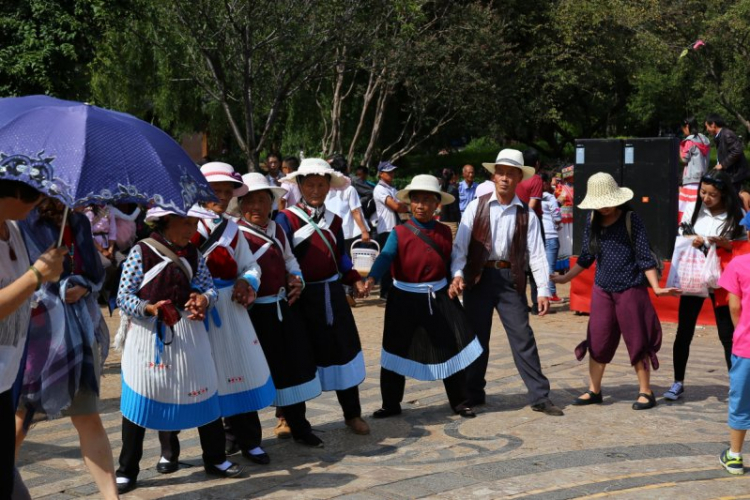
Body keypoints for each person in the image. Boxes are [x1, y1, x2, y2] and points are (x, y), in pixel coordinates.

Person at [157, 162, 276, 472]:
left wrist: (246, 281)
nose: (221, 197)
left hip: (226, 308)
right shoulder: (180, 225)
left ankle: (247, 439)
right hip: (189, 311)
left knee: (236, 371)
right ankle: (169, 450)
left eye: (227, 191)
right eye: (215, 191)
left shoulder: (233, 228)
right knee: (183, 377)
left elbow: (250, 265)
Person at [114, 205, 241, 494]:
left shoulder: (194, 254)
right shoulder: (141, 251)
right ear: (167, 221)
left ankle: (215, 458)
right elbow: (123, 297)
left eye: (196, 222)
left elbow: (209, 289)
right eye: (187, 222)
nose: (192, 229)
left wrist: (203, 300)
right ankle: (127, 469)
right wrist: (149, 308)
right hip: (149, 336)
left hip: (189, 332)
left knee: (204, 391)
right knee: (141, 399)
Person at [15, 199, 118, 499]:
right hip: (33, 335)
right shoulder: (19, 221)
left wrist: (83, 285)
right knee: (21, 419)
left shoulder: (78, 222)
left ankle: (112, 497)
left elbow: (96, 273)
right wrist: (42, 278)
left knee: (87, 415)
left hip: (75, 334)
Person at [449, 149, 563, 416]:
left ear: (519, 178)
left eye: (511, 173)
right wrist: (457, 274)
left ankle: (540, 396)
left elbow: (536, 254)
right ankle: (472, 394)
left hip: (510, 279)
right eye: (500, 172)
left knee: (523, 337)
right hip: (478, 278)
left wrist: (544, 291)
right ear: (493, 175)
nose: (504, 178)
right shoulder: (476, 207)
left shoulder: (527, 214)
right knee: (476, 339)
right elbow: (460, 249)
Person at [552, 172, 680, 410]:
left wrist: (656, 288)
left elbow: (644, 257)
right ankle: (594, 390)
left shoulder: (631, 219)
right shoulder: (592, 220)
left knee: (637, 339)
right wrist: (565, 278)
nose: (603, 208)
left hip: (631, 288)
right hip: (602, 289)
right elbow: (587, 256)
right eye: (598, 204)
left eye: (606, 202)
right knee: (597, 339)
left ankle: (645, 391)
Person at [364, 175, 481, 419]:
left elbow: (450, 262)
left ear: (437, 203)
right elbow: (385, 257)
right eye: (416, 200)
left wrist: (454, 281)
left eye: (427, 200)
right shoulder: (399, 232)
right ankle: (391, 403)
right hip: (403, 299)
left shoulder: (444, 232)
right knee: (394, 350)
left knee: (450, 346)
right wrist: (372, 278)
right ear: (410, 203)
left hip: (437, 297)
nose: (421, 205)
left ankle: (460, 402)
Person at [276, 158, 370, 435]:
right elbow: (279, 256)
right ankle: (287, 418)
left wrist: (354, 279)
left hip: (331, 296)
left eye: (320, 184)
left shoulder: (335, 220)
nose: (315, 190)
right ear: (300, 186)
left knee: (343, 350)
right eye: (309, 185)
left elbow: (340, 256)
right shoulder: (286, 219)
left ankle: (352, 413)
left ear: (329, 187)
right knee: (297, 356)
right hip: (299, 298)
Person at [237, 173, 324, 446]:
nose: (256, 207)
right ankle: (241, 437)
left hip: (283, 310)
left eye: (262, 200)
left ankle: (299, 425)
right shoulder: (234, 233)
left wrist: (296, 278)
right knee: (247, 373)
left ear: (272, 203)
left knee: (293, 367)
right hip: (251, 316)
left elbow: (290, 260)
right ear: (239, 205)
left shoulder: (278, 229)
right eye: (249, 200)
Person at [0, 179, 67, 500]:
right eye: (29, 192)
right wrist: (37, 274)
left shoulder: (12, 228)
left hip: (8, 375)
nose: (38, 199)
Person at [663, 169, 747, 401]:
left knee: (727, 334)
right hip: (694, 276)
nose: (706, 198)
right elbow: (682, 233)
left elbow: (741, 247)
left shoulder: (735, 215)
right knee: (684, 330)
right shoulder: (694, 208)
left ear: (724, 195)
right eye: (703, 192)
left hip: (722, 279)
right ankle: (678, 381)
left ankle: (737, 385)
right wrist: (696, 240)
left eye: (712, 195)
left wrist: (724, 245)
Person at [717, 252, 750, 474]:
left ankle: (735, 456)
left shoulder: (739, 264)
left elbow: (734, 307)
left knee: (740, 402)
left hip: (746, 347)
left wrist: (741, 331)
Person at [373, 161, 408, 300]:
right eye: (388, 172)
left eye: (392, 171)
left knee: (397, 259)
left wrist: (403, 206)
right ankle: (384, 291)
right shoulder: (380, 189)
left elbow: (402, 205)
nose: (392, 174)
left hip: (396, 226)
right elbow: (397, 206)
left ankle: (394, 287)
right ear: (381, 174)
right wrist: (403, 206)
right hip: (386, 228)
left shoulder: (392, 188)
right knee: (387, 258)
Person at [705, 113, 750, 192]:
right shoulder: (720, 135)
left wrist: (722, 165)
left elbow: (737, 150)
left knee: (734, 201)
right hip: (731, 175)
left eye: (707, 126)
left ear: (713, 124)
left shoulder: (727, 134)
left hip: (736, 176)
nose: (707, 129)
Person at [679, 117, 711, 220]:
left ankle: (685, 226)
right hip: (703, 178)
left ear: (687, 126)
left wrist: (679, 150)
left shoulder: (689, 141)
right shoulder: (705, 139)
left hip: (691, 179)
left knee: (687, 207)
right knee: (698, 205)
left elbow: (684, 159)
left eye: (683, 129)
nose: (683, 131)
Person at [540, 172, 563, 303]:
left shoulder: (533, 198)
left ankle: (544, 293)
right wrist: (557, 222)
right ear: (547, 184)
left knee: (541, 266)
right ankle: (552, 293)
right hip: (551, 235)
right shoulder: (550, 198)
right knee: (550, 267)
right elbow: (557, 217)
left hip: (539, 236)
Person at [555, 165, 575, 261]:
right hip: (563, 218)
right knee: (565, 239)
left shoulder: (561, 187)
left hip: (572, 218)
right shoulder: (560, 188)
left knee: (569, 239)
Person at [438, 168, 461, 239]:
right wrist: (460, 220)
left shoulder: (441, 189)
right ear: (452, 176)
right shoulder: (454, 190)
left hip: (441, 221)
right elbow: (455, 208)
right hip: (452, 222)